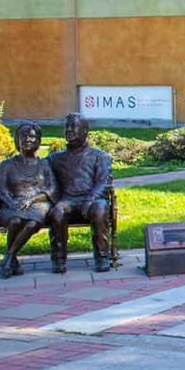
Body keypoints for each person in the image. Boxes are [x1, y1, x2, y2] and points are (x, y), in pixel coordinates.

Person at [47, 113, 113, 273]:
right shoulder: (55, 159)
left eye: (74, 126)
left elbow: (104, 182)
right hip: (67, 201)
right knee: (57, 211)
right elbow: (37, 172)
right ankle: (58, 258)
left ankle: (102, 256)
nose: (69, 130)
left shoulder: (100, 156)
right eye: (67, 126)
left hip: (92, 200)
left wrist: (90, 199)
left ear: (85, 131)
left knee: (100, 208)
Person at [0, 122, 57, 279]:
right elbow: (1, 189)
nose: (28, 139)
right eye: (24, 136)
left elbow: (52, 188)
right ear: (17, 139)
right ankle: (12, 259)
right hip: (12, 202)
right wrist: (11, 202)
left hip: (38, 204)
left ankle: (8, 258)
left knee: (31, 223)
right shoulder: (7, 165)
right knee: (15, 221)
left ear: (38, 141)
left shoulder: (44, 164)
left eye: (32, 136)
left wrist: (32, 200)